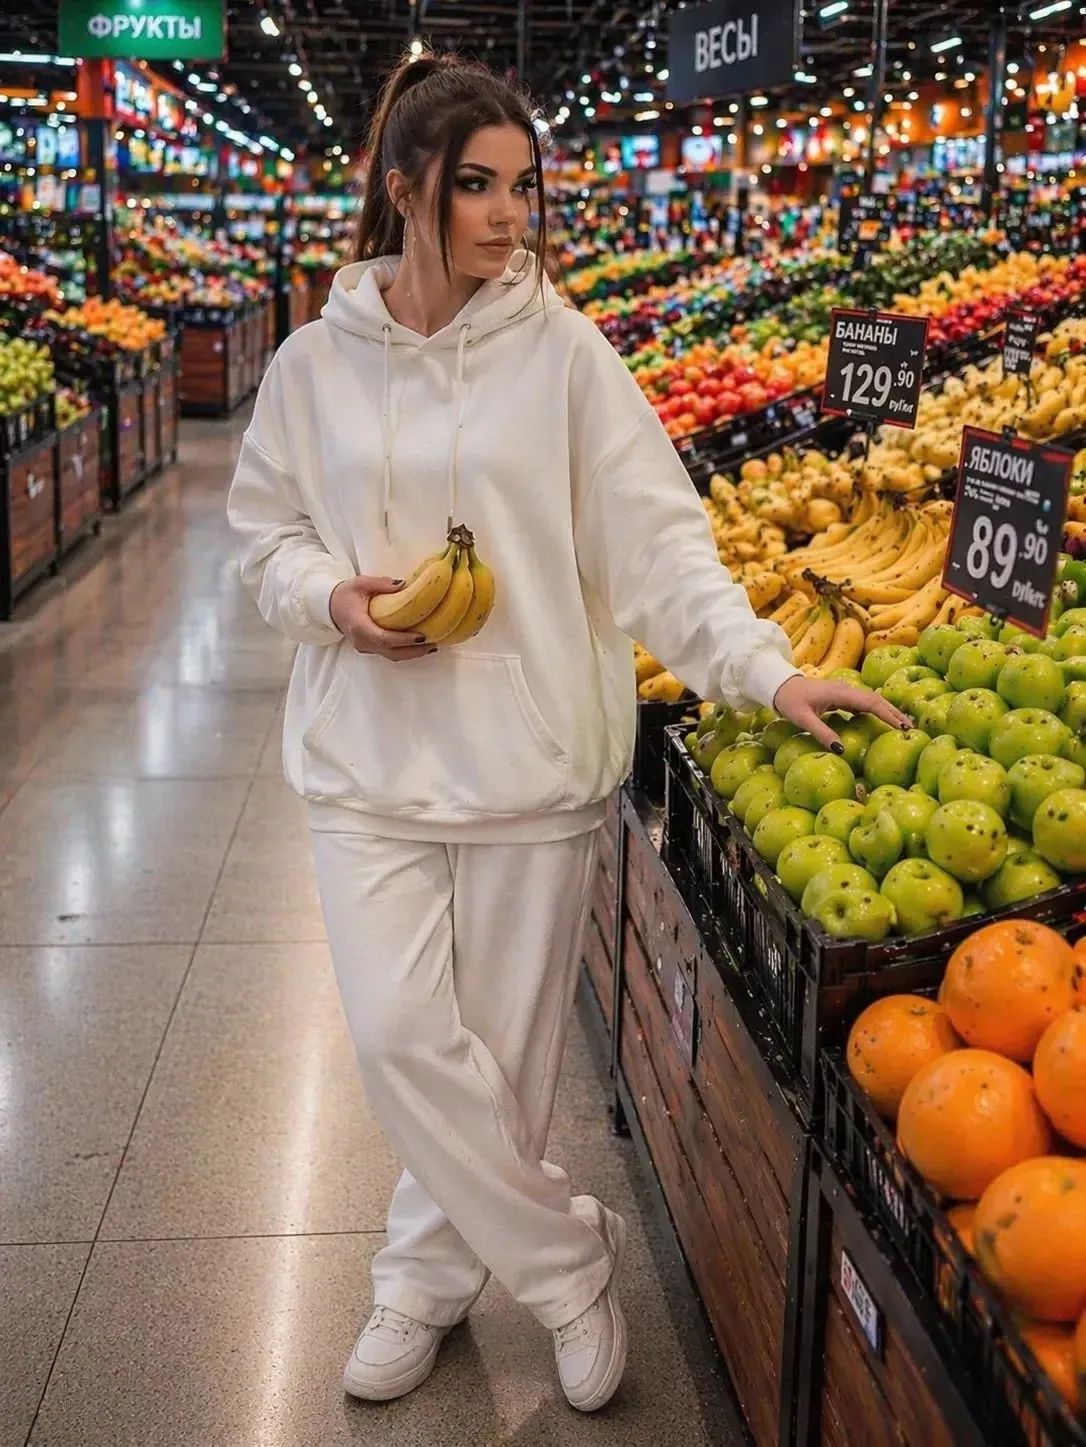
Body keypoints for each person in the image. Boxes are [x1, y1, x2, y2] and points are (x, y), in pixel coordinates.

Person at [227, 49, 908, 1417]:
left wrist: (762, 668)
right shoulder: (313, 363)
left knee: (506, 1065)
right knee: (402, 1042)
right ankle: (566, 1265)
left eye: (523, 186)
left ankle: (421, 1283)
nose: (508, 215)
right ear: (406, 189)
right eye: (477, 186)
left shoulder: (566, 355)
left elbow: (660, 546)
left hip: (530, 766)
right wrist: (329, 600)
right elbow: (264, 536)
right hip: (365, 757)